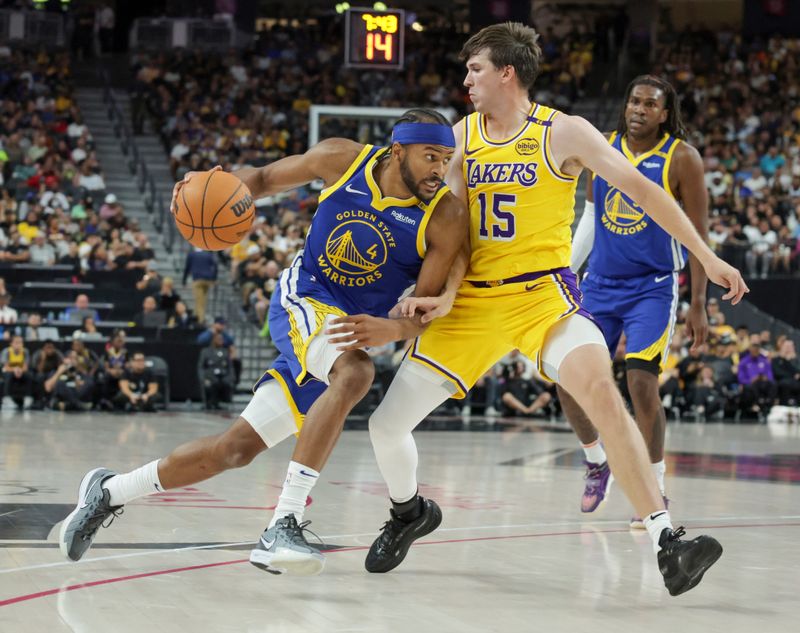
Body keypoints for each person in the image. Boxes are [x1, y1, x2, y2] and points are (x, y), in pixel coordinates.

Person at [345, 24, 746, 596]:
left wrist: (707, 256)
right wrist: (439, 300)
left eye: (475, 69)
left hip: (541, 298)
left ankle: (667, 541)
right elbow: (455, 236)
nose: (466, 80)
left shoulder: (564, 132)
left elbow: (647, 192)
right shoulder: (458, 137)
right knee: (385, 426)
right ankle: (409, 512)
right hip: (474, 304)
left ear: (506, 72)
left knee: (604, 391)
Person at [58, 109, 468, 577]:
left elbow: (421, 311)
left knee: (234, 450)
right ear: (398, 151)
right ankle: (283, 522)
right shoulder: (343, 160)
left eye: (446, 158)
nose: (439, 169)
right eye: (430, 156)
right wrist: (206, 190)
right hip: (305, 298)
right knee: (356, 373)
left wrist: (395, 330)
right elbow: (265, 178)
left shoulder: (446, 216)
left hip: (346, 333)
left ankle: (109, 491)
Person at [555, 75, 710, 526]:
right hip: (600, 284)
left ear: (665, 112)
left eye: (650, 104)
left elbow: (698, 235)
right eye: (633, 101)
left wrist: (699, 302)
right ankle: (595, 461)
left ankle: (655, 485)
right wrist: (565, 268)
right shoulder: (600, 146)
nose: (639, 109)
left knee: (641, 382)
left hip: (653, 287)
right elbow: (591, 213)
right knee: (567, 380)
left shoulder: (682, 158)